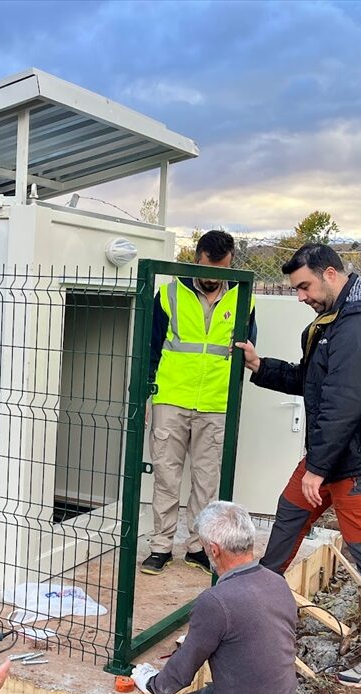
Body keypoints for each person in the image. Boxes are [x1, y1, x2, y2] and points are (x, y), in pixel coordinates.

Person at [236, 243, 361, 688]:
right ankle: (253, 603)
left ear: (331, 274)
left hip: (360, 459)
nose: (301, 296)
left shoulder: (360, 324)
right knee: (290, 512)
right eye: (296, 289)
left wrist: (317, 468)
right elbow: (314, 381)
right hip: (334, 453)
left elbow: (346, 401)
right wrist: (262, 367)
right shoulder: (336, 321)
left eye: (305, 286)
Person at [130, 501, 299, 694]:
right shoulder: (275, 582)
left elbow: (175, 679)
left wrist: (150, 681)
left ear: (214, 549)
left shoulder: (217, 601)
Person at [142, 230, 255, 576]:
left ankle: (197, 547)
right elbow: (150, 348)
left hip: (216, 403)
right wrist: (146, 394)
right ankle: (161, 546)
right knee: (166, 476)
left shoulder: (244, 298)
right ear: (196, 259)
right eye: (209, 267)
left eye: (222, 269)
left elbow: (246, 352)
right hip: (171, 398)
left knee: (206, 482)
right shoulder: (169, 294)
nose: (214, 276)